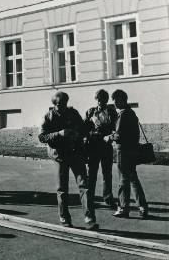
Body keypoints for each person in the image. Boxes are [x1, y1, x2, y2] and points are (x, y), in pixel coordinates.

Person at [39, 91, 98, 230]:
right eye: (60, 105)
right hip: (60, 156)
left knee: (84, 185)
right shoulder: (48, 116)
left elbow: (83, 129)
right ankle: (64, 216)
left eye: (65, 103)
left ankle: (89, 217)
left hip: (75, 152)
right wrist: (59, 134)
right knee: (62, 188)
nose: (63, 107)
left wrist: (83, 128)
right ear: (54, 105)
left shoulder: (73, 113)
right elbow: (42, 137)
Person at [104, 90, 148, 218]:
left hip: (123, 151)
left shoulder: (123, 115)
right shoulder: (132, 113)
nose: (115, 103)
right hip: (133, 150)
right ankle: (143, 207)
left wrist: (108, 137)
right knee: (133, 179)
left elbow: (119, 135)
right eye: (114, 101)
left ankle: (123, 208)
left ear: (123, 100)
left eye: (117, 101)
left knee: (123, 180)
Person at [84, 89, 118, 208]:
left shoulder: (111, 112)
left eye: (102, 99)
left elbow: (116, 128)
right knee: (92, 173)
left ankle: (108, 198)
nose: (99, 101)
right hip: (93, 146)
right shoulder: (90, 112)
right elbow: (85, 128)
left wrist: (110, 136)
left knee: (107, 173)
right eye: (98, 99)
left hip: (106, 146)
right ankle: (90, 197)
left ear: (106, 100)